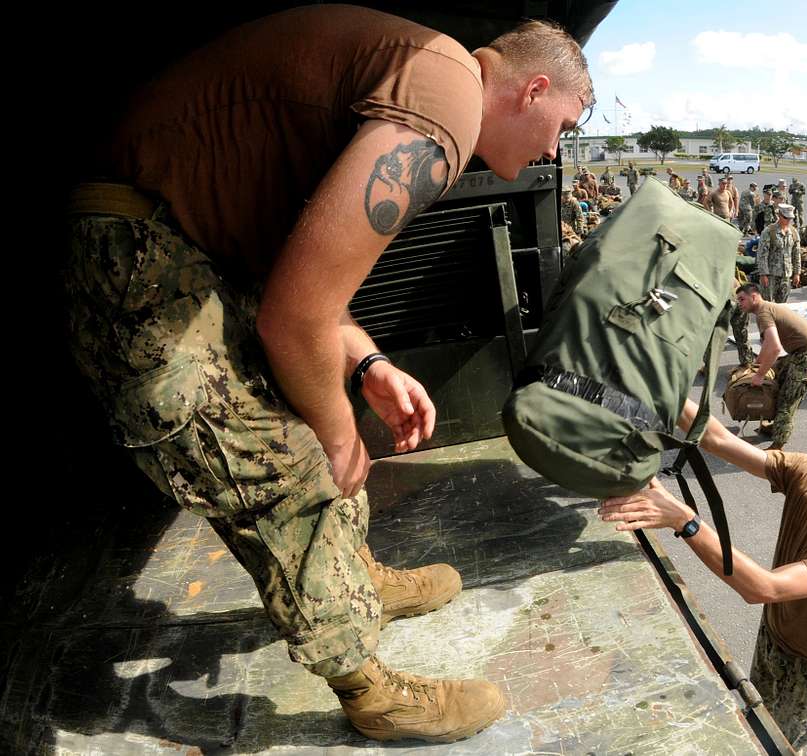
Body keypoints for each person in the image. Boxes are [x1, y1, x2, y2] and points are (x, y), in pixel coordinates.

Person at [64, 8, 593, 743]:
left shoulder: (429, 79)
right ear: (533, 88)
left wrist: (367, 362)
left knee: (321, 415)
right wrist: (339, 434)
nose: (555, 146)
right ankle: (367, 688)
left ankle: (355, 579)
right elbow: (293, 317)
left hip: (187, 248)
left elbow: (309, 272)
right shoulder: (446, 103)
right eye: (563, 126)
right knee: (281, 462)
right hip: (140, 253)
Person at [599, 403, 807, 750]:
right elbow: (718, 439)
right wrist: (665, 387)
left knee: (773, 744)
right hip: (771, 635)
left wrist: (685, 520)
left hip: (804, 669)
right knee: (754, 719)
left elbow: (761, 587)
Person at [736, 282, 807, 449]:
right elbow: (768, 346)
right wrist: (757, 365)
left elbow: (775, 348)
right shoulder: (765, 309)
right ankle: (776, 425)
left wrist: (760, 375)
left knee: (788, 397)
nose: (739, 303)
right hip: (800, 351)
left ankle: (778, 445)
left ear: (754, 297)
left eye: (742, 299)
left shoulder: (763, 313)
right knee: (778, 379)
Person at [757, 204, 802, 303]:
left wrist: (797, 273)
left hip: (786, 275)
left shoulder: (793, 232)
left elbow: (796, 254)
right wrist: (763, 274)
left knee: (782, 306)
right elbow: (762, 255)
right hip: (771, 275)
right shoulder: (769, 231)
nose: (788, 220)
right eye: (786, 218)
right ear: (779, 215)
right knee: (766, 305)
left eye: (790, 218)